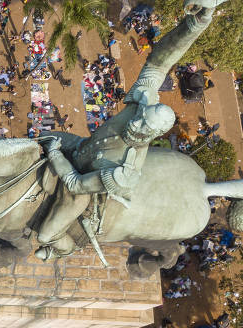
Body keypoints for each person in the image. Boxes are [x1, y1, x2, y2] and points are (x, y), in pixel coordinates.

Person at [33, 0, 224, 260]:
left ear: (152, 134)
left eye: (144, 125)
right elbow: (161, 60)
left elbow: (77, 185)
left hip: (79, 188)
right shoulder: (139, 106)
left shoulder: (126, 172)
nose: (137, 122)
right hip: (80, 148)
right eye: (142, 117)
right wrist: (197, 22)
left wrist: (55, 154)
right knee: (33, 141)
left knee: (47, 235)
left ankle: (62, 250)